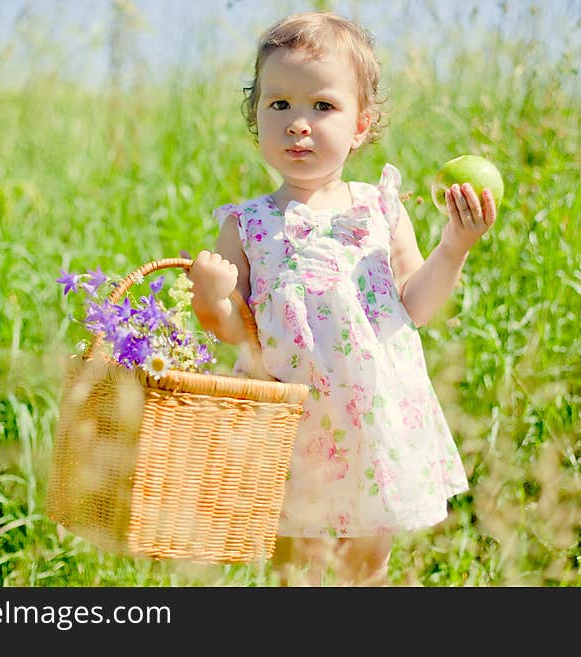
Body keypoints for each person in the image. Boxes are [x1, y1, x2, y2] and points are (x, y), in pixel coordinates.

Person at [188, 10, 497, 585]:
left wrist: (454, 244)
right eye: (278, 105)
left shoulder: (379, 208)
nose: (297, 124)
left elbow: (414, 304)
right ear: (255, 118)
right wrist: (212, 298)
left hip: (371, 415)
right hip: (291, 420)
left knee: (364, 566)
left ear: (361, 125)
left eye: (322, 106)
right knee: (293, 564)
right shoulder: (246, 225)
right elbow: (234, 329)